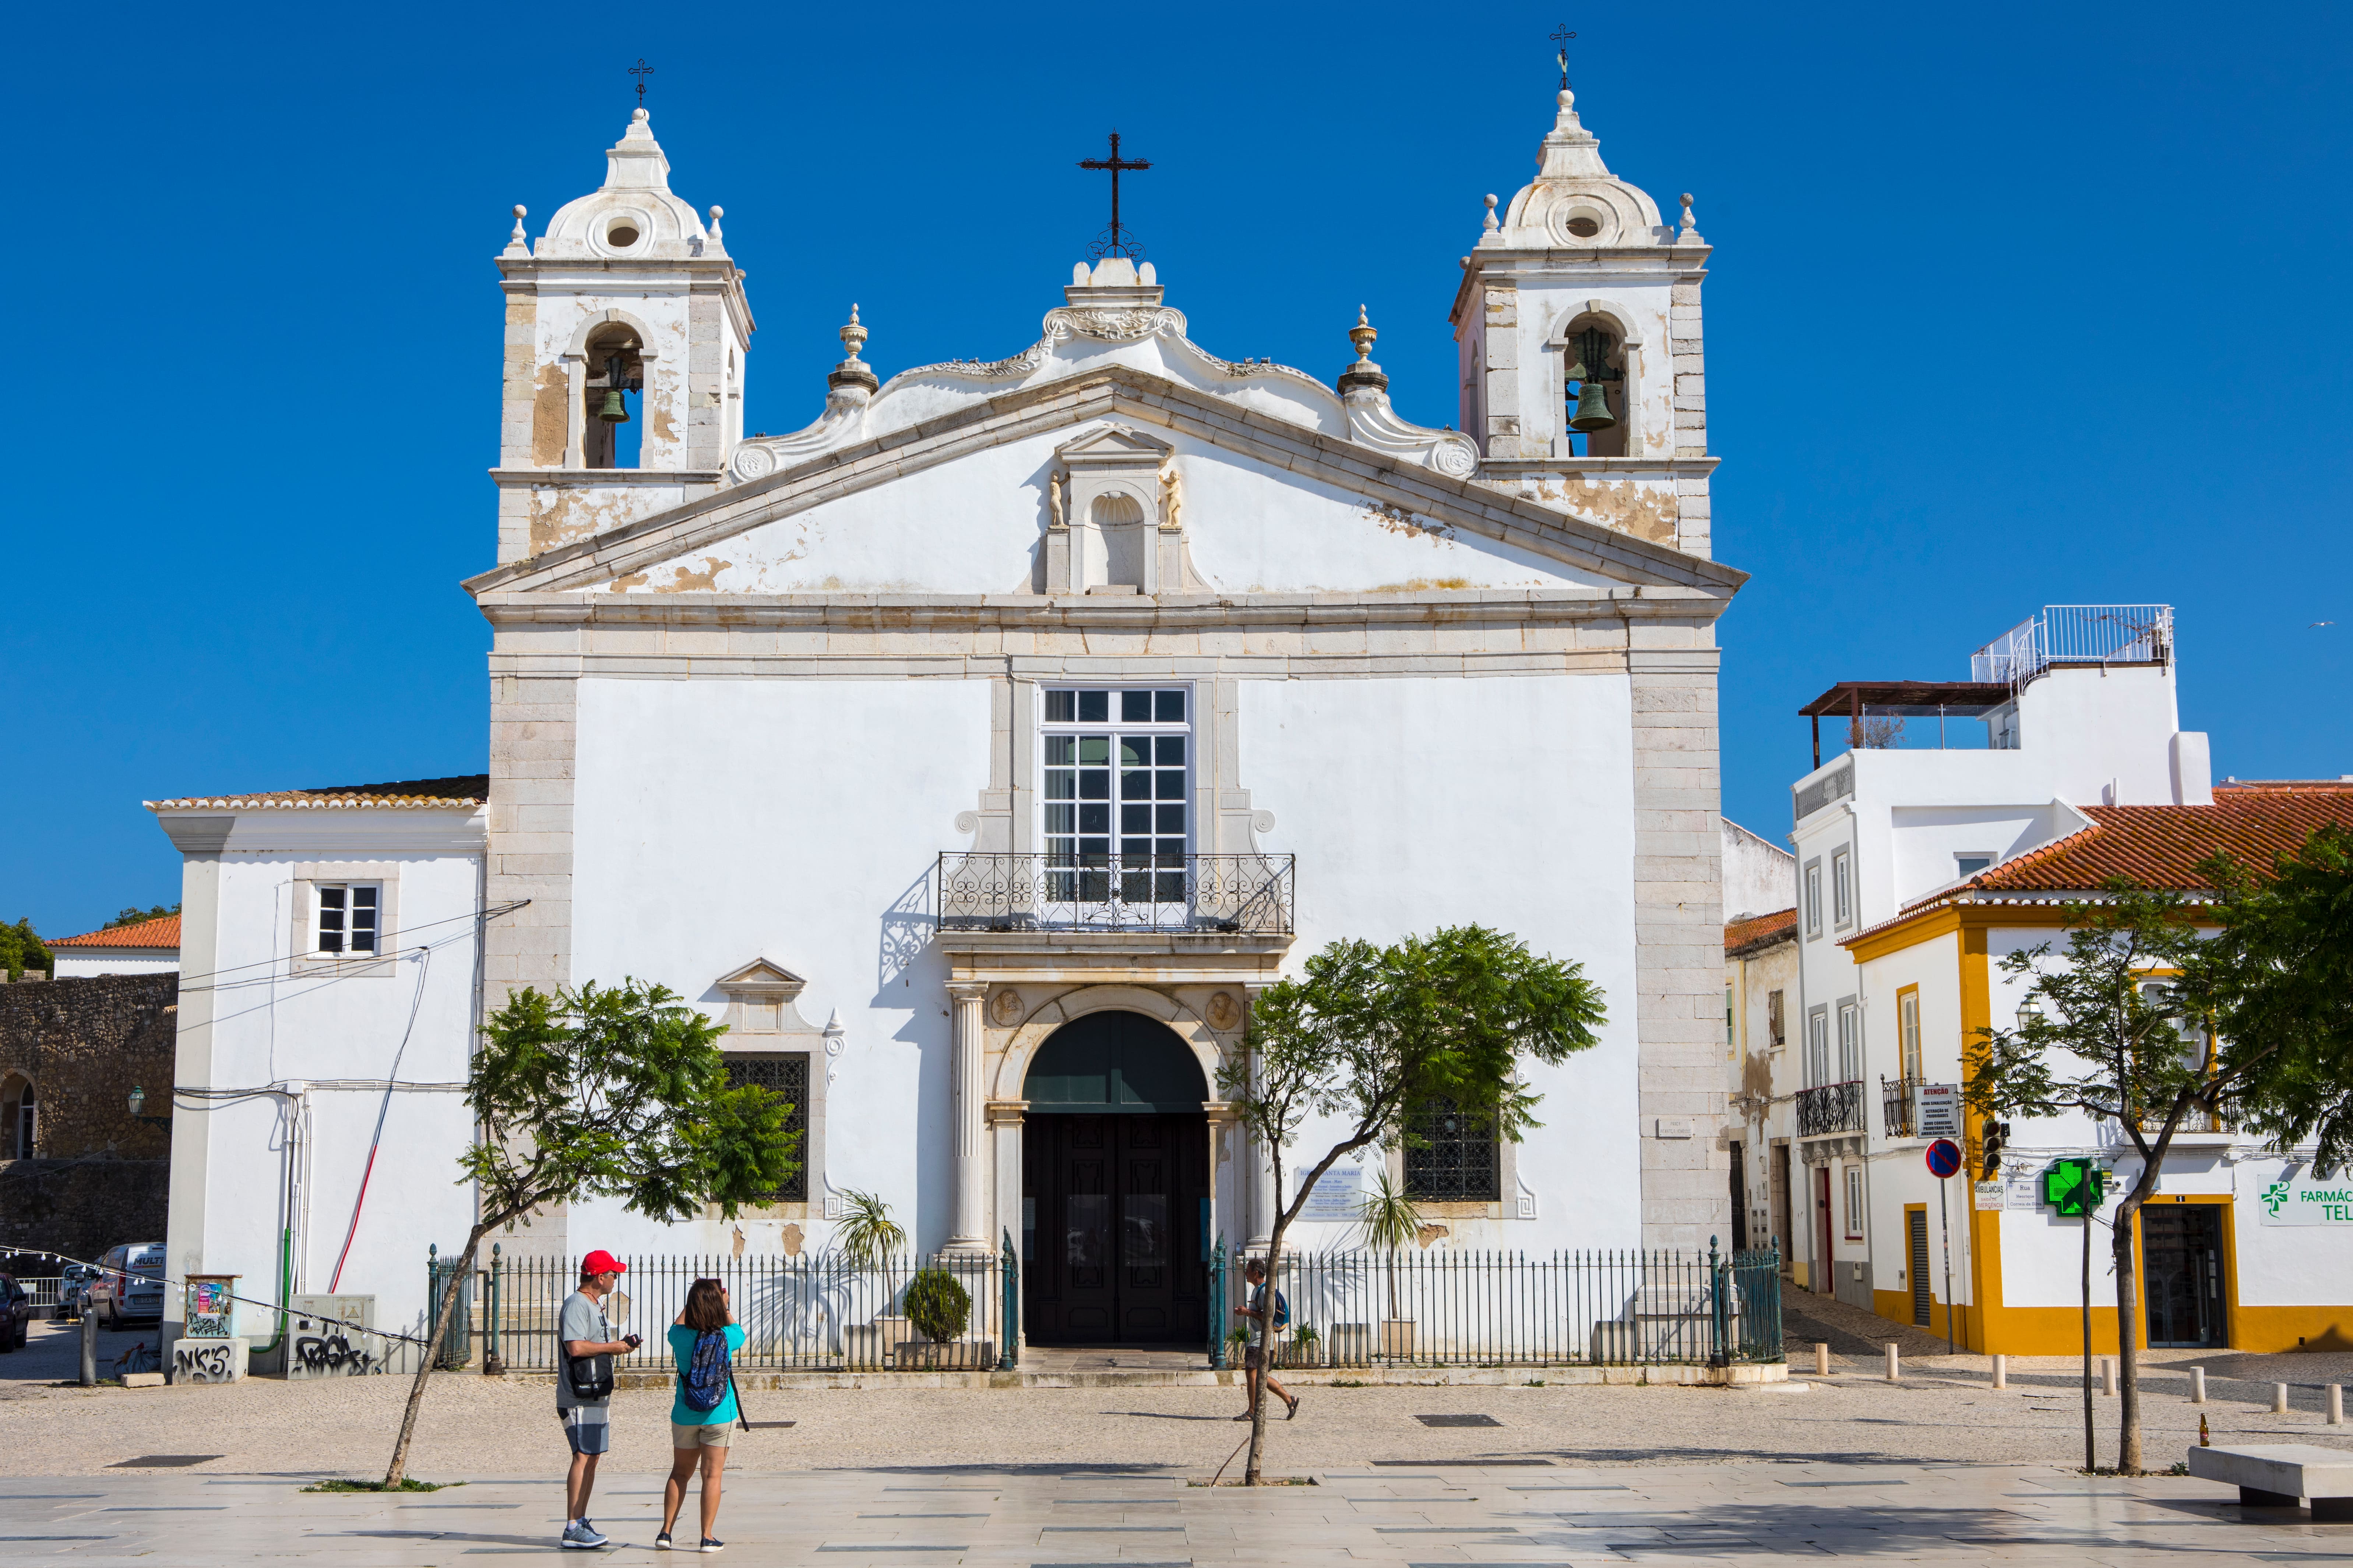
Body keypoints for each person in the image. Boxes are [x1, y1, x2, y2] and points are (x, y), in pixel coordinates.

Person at [557, 1250, 641, 1550]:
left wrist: (618, 1345)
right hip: (577, 1395)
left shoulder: (594, 1305)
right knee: (582, 1455)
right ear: (599, 1277)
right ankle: (572, 1526)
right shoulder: (577, 1305)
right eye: (613, 1275)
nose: (615, 1279)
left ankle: (579, 1521)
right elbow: (576, 1348)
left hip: (595, 1392)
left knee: (592, 1456)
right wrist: (612, 1348)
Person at [659, 1277, 747, 1552]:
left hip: (685, 1414)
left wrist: (692, 1300)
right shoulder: (728, 1337)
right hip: (719, 1413)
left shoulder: (681, 1338)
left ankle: (665, 1533)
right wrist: (724, 1306)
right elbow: (738, 1330)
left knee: (680, 1473)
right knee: (712, 1476)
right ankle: (707, 1536)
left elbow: (675, 1326)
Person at [1232, 1256, 1300, 1422]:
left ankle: (1252, 1412)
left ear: (1256, 1273)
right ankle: (1290, 1400)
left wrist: (1247, 1312)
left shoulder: (1264, 1291)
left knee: (1252, 1374)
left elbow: (1268, 1316)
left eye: (1247, 1271)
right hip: (1258, 1339)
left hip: (1261, 1340)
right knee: (1260, 1376)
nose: (1245, 1273)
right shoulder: (1258, 1290)